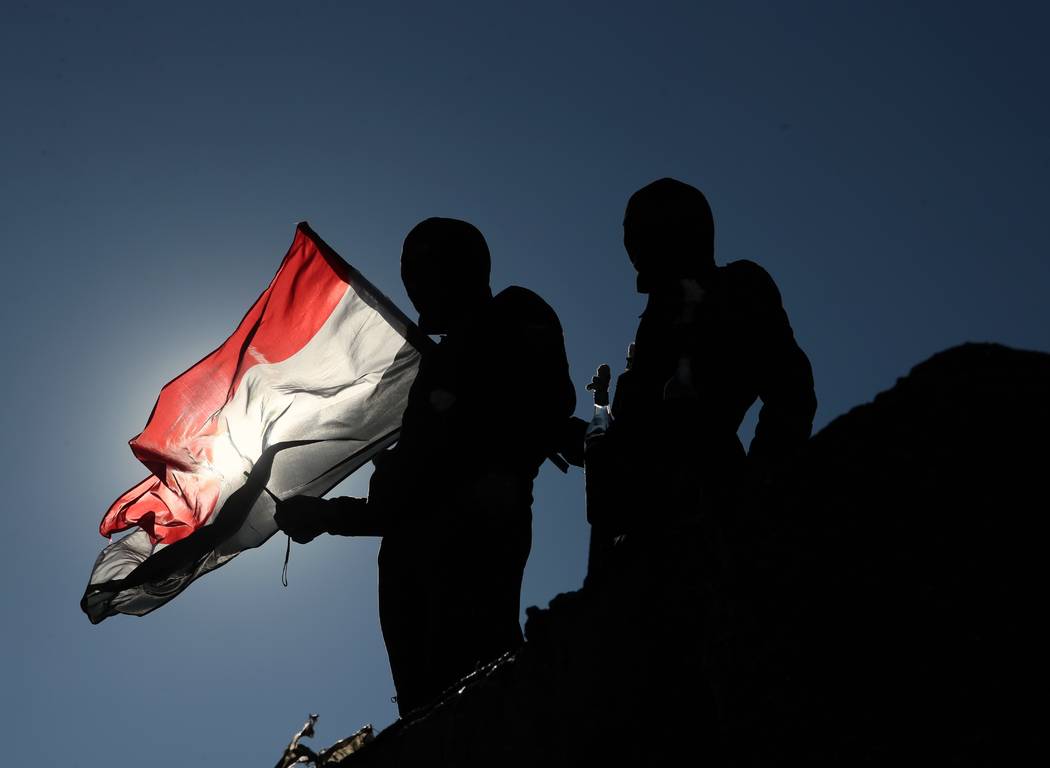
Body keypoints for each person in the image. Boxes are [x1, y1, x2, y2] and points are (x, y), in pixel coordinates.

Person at [275, 217, 576, 715]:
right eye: (406, 274)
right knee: (428, 714)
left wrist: (462, 401)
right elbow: (406, 505)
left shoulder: (512, 314)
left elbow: (542, 408)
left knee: (484, 706)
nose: (411, 287)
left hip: (472, 551)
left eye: (422, 269)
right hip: (410, 579)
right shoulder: (432, 371)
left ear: (463, 267)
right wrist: (326, 515)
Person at [590, 177, 817, 537]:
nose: (631, 250)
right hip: (643, 527)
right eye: (629, 238)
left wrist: (757, 490)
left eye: (639, 235)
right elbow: (634, 432)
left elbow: (792, 392)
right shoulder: (655, 322)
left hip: (711, 508)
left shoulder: (738, 287)